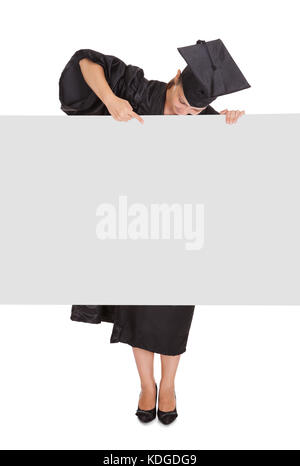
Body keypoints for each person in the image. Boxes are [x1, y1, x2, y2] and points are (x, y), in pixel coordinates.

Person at [58, 38, 250, 425]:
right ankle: (146, 385)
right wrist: (111, 101)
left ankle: (170, 384)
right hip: (133, 226)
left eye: (195, 111)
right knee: (139, 312)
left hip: (177, 233)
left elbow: (236, 175)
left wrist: (230, 127)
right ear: (176, 78)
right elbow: (85, 62)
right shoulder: (138, 90)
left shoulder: (204, 122)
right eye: (181, 104)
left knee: (172, 314)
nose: (185, 114)